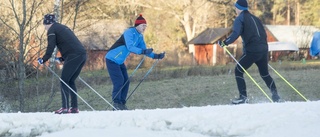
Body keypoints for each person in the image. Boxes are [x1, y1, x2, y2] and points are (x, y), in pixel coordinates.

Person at [218, 0, 280, 104]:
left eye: (236, 8)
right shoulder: (256, 18)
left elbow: (235, 33)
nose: (235, 10)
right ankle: (276, 96)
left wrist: (225, 43)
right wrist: (262, 48)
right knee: (265, 74)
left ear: (239, 8)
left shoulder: (240, 19)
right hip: (263, 50)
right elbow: (264, 35)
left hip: (252, 51)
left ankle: (243, 98)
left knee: (238, 70)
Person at [105, 14, 165, 110]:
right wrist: (142, 51)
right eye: (143, 26)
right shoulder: (129, 32)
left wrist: (156, 56)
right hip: (111, 59)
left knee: (126, 81)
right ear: (137, 25)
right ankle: (116, 104)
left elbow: (144, 49)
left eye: (145, 26)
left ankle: (122, 104)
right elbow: (130, 47)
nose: (144, 28)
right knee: (119, 81)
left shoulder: (140, 36)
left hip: (120, 61)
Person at [38, 14, 87, 114]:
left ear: (48, 23)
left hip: (73, 56)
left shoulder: (52, 30)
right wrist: (62, 58)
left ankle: (65, 108)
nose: (45, 28)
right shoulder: (63, 27)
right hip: (82, 55)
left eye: (45, 25)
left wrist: (44, 59)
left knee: (64, 81)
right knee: (70, 81)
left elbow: (50, 47)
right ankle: (74, 108)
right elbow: (71, 44)